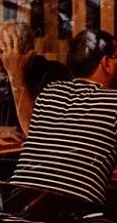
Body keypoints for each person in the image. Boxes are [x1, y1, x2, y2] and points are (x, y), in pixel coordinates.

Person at [8, 27, 117, 206]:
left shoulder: (50, 93)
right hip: (72, 217)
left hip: (18, 207)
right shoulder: (113, 102)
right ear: (106, 63)